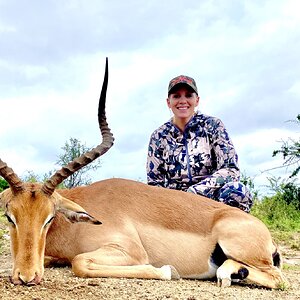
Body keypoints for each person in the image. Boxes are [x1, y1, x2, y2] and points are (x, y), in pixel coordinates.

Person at [146, 75, 253, 213]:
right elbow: (155, 184)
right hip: (175, 204)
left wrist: (195, 192)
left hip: (211, 198)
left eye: (189, 95)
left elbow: (230, 169)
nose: (183, 101)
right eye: (176, 96)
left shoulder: (213, 126)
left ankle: (234, 232)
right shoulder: (159, 136)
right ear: (168, 102)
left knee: (238, 192)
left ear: (197, 100)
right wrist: (175, 200)